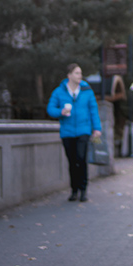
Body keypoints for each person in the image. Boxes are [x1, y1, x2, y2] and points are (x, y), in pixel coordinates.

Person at [47, 63, 102, 202]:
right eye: (77, 73)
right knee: (72, 161)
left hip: (83, 130)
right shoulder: (59, 92)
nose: (80, 76)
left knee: (81, 159)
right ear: (69, 75)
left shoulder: (87, 90)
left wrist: (97, 128)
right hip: (67, 132)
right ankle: (74, 190)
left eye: (80, 73)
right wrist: (61, 112)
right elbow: (50, 109)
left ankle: (83, 190)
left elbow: (93, 111)